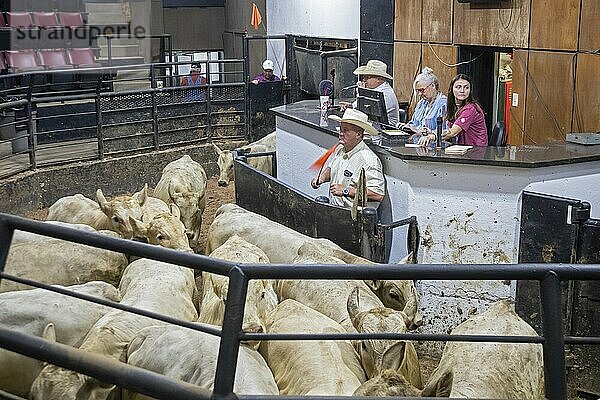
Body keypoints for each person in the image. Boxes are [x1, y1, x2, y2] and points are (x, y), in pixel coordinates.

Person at [310, 108, 385, 209]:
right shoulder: (340, 149)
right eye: (341, 129)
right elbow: (332, 168)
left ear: (358, 134)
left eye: (346, 130)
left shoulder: (369, 160)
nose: (341, 133)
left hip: (355, 217)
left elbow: (377, 195)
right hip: (336, 211)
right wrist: (322, 179)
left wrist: (346, 191)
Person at [418, 74, 488, 147]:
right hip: (463, 149)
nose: (462, 91)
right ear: (452, 89)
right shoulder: (454, 107)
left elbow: (452, 132)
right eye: (458, 87)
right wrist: (432, 132)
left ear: (470, 91)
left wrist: (432, 136)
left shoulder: (471, 109)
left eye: (466, 88)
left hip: (476, 151)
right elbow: (448, 129)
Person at [340, 59, 400, 128]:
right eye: (364, 77)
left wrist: (362, 92)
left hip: (385, 132)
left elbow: (363, 114)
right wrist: (351, 106)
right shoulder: (375, 90)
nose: (364, 80)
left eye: (367, 77)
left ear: (379, 79)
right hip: (374, 127)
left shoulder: (385, 94)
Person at [398, 67, 447, 142]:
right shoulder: (421, 103)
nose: (420, 94)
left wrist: (429, 132)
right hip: (419, 142)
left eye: (422, 90)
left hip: (436, 144)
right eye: (418, 91)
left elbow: (445, 131)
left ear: (433, 86)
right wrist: (407, 126)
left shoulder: (443, 104)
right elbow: (413, 123)